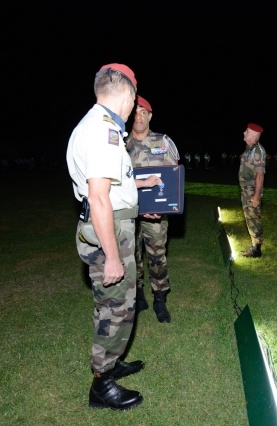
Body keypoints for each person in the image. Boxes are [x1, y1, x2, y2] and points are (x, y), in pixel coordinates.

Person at [66, 63, 162, 410]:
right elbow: (99, 197)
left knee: (116, 303)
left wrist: (141, 190)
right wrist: (111, 257)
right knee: (115, 307)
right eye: (134, 100)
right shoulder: (103, 130)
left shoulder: (97, 125)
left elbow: (113, 185)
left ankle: (111, 362)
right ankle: (101, 385)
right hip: (109, 233)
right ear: (127, 95)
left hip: (114, 225)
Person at [125, 95, 179, 323]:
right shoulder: (121, 144)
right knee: (131, 255)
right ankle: (137, 296)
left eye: (143, 113)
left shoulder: (162, 142)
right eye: (135, 113)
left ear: (150, 116)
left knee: (157, 256)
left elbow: (174, 175)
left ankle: (160, 299)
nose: (139, 117)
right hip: (127, 211)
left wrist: (165, 206)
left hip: (155, 214)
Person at [238, 123, 267, 257]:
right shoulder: (249, 149)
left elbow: (260, 174)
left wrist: (256, 196)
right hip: (246, 190)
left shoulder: (257, 151)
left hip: (252, 190)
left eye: (247, 131)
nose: (244, 133)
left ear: (254, 135)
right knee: (250, 218)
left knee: (253, 218)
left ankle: (256, 249)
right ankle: (254, 246)